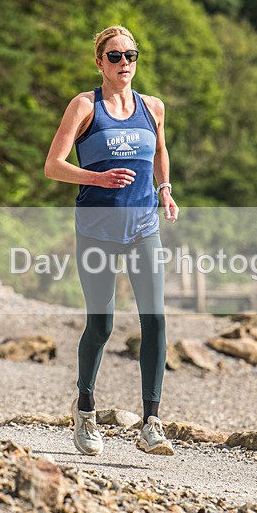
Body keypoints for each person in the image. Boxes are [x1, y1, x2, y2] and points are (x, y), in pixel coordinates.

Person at [44, 25, 179, 456]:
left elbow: (160, 152)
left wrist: (165, 189)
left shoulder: (152, 106)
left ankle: (152, 422)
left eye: (131, 56)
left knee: (155, 319)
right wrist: (96, 177)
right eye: (116, 56)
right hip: (97, 229)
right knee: (101, 325)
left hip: (144, 227)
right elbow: (53, 165)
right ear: (99, 62)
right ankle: (84, 410)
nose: (125, 64)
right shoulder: (85, 106)